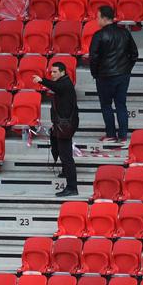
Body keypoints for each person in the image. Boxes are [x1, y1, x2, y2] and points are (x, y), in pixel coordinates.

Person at [87, 4, 138, 143]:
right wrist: (127, 69)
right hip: (123, 75)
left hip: (105, 76)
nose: (97, 20)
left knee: (106, 105)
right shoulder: (125, 33)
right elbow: (134, 54)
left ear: (104, 18)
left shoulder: (99, 35)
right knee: (121, 105)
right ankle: (122, 136)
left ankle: (110, 134)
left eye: (98, 17)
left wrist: (95, 73)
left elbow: (93, 57)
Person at [33, 61, 80, 197]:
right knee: (57, 147)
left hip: (65, 126)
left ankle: (72, 187)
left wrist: (42, 80)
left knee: (66, 157)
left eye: (55, 72)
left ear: (63, 72)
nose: (52, 74)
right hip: (60, 124)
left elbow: (56, 87)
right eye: (51, 72)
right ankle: (65, 171)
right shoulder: (63, 83)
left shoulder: (65, 84)